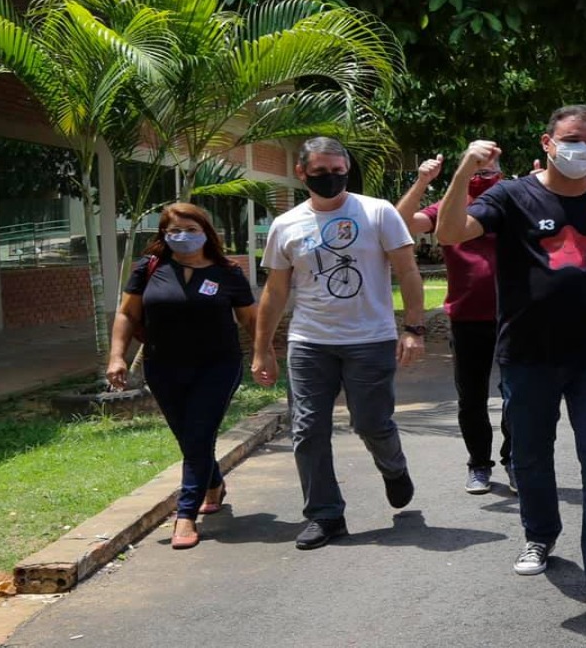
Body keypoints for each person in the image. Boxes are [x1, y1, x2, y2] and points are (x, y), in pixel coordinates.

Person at [435, 105, 586, 619]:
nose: (583, 148)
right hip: (528, 354)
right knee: (530, 458)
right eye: (573, 138)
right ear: (548, 142)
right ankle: (539, 535)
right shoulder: (511, 196)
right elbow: (449, 233)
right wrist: (465, 170)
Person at [251, 136, 426, 550]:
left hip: (370, 339)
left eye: (338, 170)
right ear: (301, 173)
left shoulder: (377, 212)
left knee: (370, 423)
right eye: (320, 172)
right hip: (310, 341)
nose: (331, 178)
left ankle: (394, 467)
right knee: (307, 429)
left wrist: (414, 329)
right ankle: (325, 515)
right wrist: (263, 347)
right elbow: (275, 291)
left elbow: (407, 270)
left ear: (347, 168)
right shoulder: (286, 224)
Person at [107, 203, 257, 550]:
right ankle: (213, 483)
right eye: (174, 231)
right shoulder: (149, 268)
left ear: (206, 232)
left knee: (199, 432)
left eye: (190, 230)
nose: (182, 237)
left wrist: (264, 353)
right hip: (163, 366)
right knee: (189, 437)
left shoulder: (228, 272)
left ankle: (186, 514)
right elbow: (128, 314)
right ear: (163, 235)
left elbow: (251, 318)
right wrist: (117, 356)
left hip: (218, 365)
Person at [395, 153, 513, 495]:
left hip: (514, 317)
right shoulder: (449, 206)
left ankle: (514, 460)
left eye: (489, 170)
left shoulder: (512, 200)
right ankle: (479, 464)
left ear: (500, 173)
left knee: (516, 395)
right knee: (471, 398)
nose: (482, 175)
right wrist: (421, 183)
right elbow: (400, 224)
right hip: (467, 318)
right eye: (476, 169)